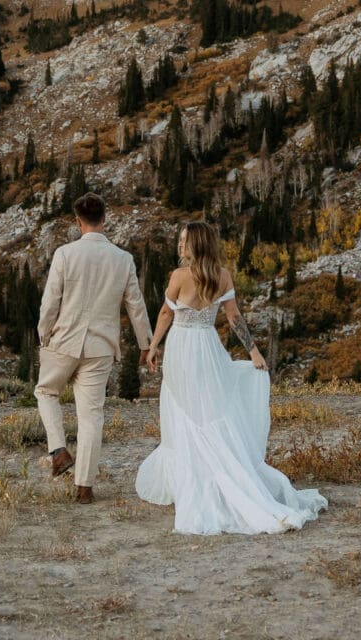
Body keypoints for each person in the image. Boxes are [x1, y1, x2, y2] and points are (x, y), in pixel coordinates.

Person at [136, 221, 327, 534]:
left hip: (183, 347)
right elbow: (233, 316)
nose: (180, 246)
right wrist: (253, 351)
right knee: (211, 409)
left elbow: (166, 314)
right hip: (209, 345)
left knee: (184, 413)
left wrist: (153, 345)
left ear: (196, 244)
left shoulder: (179, 276)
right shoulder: (221, 276)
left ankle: (194, 481)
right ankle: (222, 473)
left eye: (184, 241)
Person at [35, 192, 153, 504]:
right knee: (91, 416)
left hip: (64, 339)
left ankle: (59, 450)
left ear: (78, 221)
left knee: (46, 392)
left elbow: (51, 302)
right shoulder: (123, 259)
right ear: (104, 220)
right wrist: (145, 344)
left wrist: (44, 333)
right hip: (101, 346)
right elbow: (136, 306)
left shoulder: (64, 254)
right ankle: (84, 488)